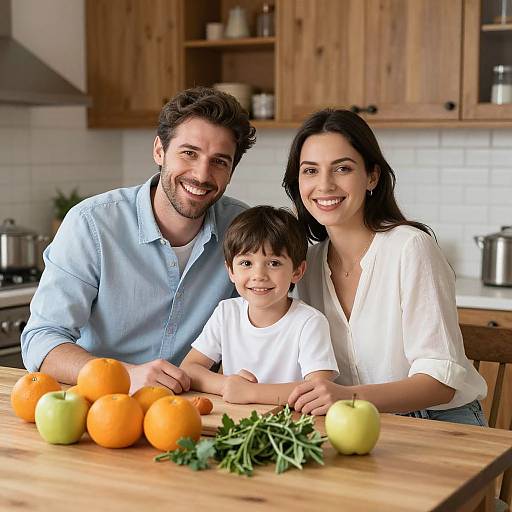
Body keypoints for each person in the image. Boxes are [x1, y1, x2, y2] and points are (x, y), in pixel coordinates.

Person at [21, 86, 256, 394]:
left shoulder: (242, 230)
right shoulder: (92, 224)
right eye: (189, 153)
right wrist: (123, 375)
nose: (201, 174)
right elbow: (42, 338)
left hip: (194, 412)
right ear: (159, 150)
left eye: (219, 161)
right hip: (101, 409)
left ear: (231, 170)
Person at [282, 109, 487, 425]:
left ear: (372, 177)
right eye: (310, 170)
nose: (324, 185)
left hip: (437, 422)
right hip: (356, 422)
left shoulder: (411, 248)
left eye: (342, 168)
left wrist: (346, 397)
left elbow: (441, 383)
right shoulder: (304, 268)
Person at [180, 206, 339, 405]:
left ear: (297, 271)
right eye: (246, 263)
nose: (259, 276)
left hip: (291, 426)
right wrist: (226, 385)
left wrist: (252, 393)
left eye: (274, 263)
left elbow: (318, 390)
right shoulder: (226, 313)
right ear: (230, 271)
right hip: (236, 420)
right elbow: (189, 368)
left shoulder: (309, 322)